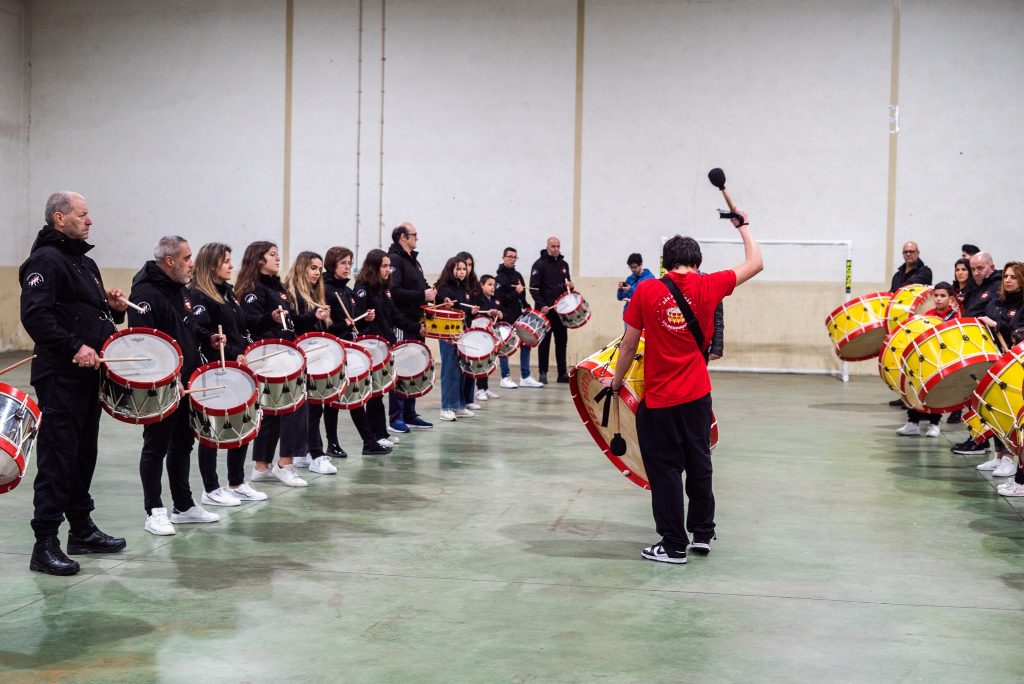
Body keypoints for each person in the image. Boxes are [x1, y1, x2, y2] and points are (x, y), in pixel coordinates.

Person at [608, 208, 762, 564]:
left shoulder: (646, 290)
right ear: (697, 262)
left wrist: (617, 383)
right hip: (697, 396)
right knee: (700, 462)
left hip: (660, 400)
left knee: (665, 471)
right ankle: (702, 534)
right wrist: (745, 227)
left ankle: (674, 544)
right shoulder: (710, 285)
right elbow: (756, 262)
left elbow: (629, 345)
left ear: (665, 263)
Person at [19, 191, 128, 575]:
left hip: (88, 376)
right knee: (58, 458)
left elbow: (85, 315)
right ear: (60, 218)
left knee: (83, 455)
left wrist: (111, 312)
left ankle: (81, 530)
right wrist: (73, 346)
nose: (90, 220)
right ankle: (44, 542)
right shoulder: (45, 260)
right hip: (60, 375)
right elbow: (35, 315)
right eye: (83, 215)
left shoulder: (84, 262)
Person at [129, 236, 223, 535]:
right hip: (162, 385)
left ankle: (183, 506)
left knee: (183, 443)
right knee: (156, 446)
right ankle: (154, 510)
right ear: (169, 261)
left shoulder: (180, 290)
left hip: (186, 382)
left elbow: (185, 327)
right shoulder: (146, 293)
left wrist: (207, 338)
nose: (191, 263)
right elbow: (144, 345)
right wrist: (170, 381)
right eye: (186, 258)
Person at [190, 242, 268, 505]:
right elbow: (200, 332)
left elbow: (238, 330)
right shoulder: (200, 295)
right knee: (211, 430)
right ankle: (211, 489)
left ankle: (236, 482)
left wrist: (244, 352)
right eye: (225, 261)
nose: (231, 265)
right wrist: (231, 351)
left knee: (242, 423)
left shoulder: (228, 292)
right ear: (212, 264)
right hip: (215, 370)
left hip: (236, 367)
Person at [236, 241, 309, 487]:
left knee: (273, 412)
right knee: (291, 407)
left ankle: (261, 466)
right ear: (258, 260)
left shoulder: (276, 287)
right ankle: (285, 464)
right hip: (267, 356)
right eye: (272, 255)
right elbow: (248, 321)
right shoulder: (253, 289)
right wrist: (270, 317)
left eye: (278, 254)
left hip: (283, 353)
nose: (278, 259)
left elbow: (289, 320)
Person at [322, 246, 391, 456]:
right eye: (343, 263)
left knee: (355, 396)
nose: (347, 267)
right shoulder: (325, 289)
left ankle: (368, 441)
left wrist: (364, 319)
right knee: (332, 400)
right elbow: (326, 326)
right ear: (332, 263)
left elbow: (355, 324)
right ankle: (332, 443)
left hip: (349, 348)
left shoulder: (347, 290)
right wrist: (344, 324)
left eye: (349, 263)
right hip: (332, 351)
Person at [354, 249, 421, 447]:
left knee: (380, 390)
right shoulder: (362, 288)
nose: (388, 270)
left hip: (385, 345)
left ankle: (381, 431)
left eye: (388, 266)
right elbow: (357, 319)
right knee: (374, 393)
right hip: (370, 347)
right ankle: (376, 435)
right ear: (374, 267)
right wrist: (366, 320)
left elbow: (394, 316)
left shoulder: (384, 289)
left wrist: (418, 328)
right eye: (384, 266)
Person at [285, 251, 338, 474]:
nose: (317, 273)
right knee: (311, 406)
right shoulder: (292, 293)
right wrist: (313, 316)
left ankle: (303, 451)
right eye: (313, 268)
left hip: (314, 356)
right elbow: (293, 324)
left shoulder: (316, 292)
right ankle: (316, 454)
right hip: (298, 356)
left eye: (319, 269)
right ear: (302, 268)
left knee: (314, 407)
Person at [975, 262, 1024, 479]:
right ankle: (1000, 455)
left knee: (1013, 411)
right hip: (997, 360)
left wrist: (998, 325)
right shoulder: (997, 302)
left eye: (1014, 276)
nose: (1008, 280)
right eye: (1005, 276)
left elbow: (1017, 331)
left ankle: (1011, 459)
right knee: (995, 406)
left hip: (1017, 363)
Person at [951, 251, 1003, 456]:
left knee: (991, 400)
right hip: (976, 347)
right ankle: (978, 438)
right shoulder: (976, 287)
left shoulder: (997, 287)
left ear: (992, 266)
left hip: (992, 350)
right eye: (973, 269)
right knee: (975, 398)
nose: (976, 272)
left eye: (980, 268)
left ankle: (989, 446)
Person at [386, 223, 436, 433]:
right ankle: (396, 416)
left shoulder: (413, 260)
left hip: (416, 321)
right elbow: (394, 291)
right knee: (400, 368)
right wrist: (422, 295)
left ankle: (410, 413)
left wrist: (435, 295)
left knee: (415, 368)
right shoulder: (395, 260)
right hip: (401, 321)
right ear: (403, 237)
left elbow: (422, 286)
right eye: (414, 235)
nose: (418, 238)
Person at [894, 282, 958, 438]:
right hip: (924, 358)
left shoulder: (954, 317)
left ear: (950, 299)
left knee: (936, 393)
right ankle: (912, 423)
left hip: (941, 360)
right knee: (915, 388)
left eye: (942, 296)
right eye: (936, 295)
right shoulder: (928, 315)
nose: (938, 299)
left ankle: (934, 424)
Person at [434, 256, 478, 421]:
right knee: (449, 369)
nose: (462, 272)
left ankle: (458, 405)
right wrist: (445, 303)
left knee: (460, 369)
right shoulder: (444, 287)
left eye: (464, 269)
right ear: (450, 270)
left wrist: (471, 311)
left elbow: (462, 308)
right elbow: (439, 303)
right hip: (447, 333)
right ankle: (446, 407)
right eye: (458, 269)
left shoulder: (463, 288)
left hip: (461, 332)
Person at [494, 247, 542, 388]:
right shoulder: (499, 278)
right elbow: (500, 300)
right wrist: (515, 292)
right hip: (506, 317)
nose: (512, 259)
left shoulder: (518, 276)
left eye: (515, 257)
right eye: (510, 256)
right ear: (503, 257)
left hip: (519, 316)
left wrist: (528, 307)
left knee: (526, 343)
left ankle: (525, 376)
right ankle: (505, 377)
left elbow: (522, 297)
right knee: (505, 346)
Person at [530, 236, 574, 384]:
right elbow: (534, 289)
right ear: (547, 247)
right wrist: (542, 304)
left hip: (561, 311)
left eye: (558, 246)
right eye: (553, 246)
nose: (556, 249)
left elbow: (566, 286)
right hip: (545, 311)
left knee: (562, 342)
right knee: (544, 342)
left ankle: (562, 373)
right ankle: (543, 373)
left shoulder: (564, 265)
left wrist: (571, 287)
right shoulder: (539, 264)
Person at [457, 251, 483, 410]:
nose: (467, 269)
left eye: (470, 265)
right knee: (460, 366)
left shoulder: (474, 284)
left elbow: (480, 303)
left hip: (472, 326)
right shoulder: (456, 285)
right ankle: (459, 400)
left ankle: (469, 398)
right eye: (464, 265)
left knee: (471, 364)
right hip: (460, 328)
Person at [472, 274, 502, 402]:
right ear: (481, 285)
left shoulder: (495, 299)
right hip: (479, 334)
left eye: (493, 285)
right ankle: (479, 390)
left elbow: (499, 313)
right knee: (481, 361)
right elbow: (475, 313)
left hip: (490, 334)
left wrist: (500, 314)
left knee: (489, 361)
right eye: (489, 285)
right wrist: (487, 312)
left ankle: (485, 388)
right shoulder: (477, 298)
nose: (492, 287)